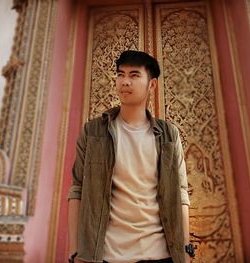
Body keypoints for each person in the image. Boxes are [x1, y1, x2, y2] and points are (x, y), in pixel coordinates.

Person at [68, 50, 195, 263]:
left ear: (152, 85)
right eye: (120, 74)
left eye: (134, 75)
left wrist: (185, 250)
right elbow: (77, 190)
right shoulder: (93, 132)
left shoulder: (169, 135)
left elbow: (181, 194)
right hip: (105, 255)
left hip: (161, 255)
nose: (125, 81)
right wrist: (75, 252)